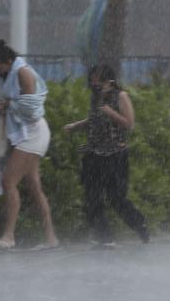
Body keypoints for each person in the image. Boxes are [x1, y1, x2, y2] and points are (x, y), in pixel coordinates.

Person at [64, 64, 149, 248]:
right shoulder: (95, 97)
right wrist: (76, 126)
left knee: (116, 198)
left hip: (115, 155)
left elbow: (129, 124)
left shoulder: (121, 96)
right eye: (92, 80)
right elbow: (95, 118)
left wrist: (110, 111)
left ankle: (139, 224)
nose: (94, 83)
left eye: (98, 80)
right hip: (94, 153)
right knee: (92, 197)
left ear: (109, 82)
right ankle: (104, 237)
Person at [0, 40, 59, 250]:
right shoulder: (8, 74)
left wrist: (8, 104)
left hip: (34, 133)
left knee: (8, 181)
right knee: (34, 187)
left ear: (8, 61)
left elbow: (30, 107)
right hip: (27, 133)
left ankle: (9, 236)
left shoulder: (23, 72)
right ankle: (51, 237)